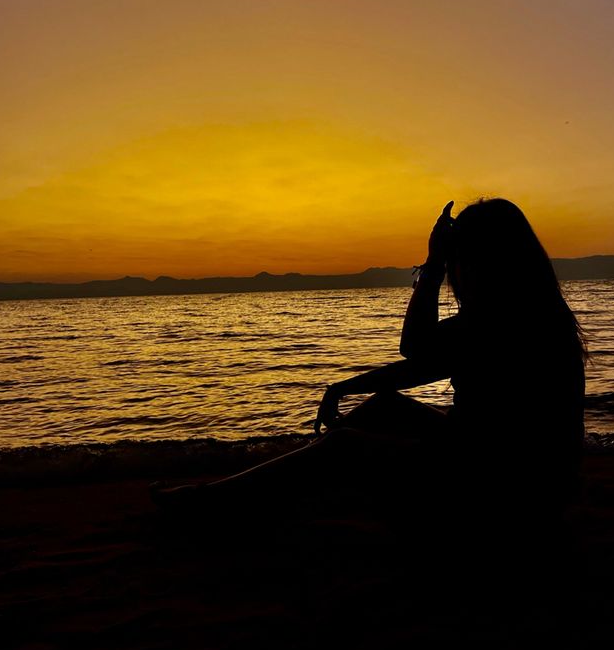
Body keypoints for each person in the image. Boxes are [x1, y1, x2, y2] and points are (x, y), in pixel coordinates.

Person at [151, 198, 587, 517]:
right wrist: (346, 386)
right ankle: (274, 485)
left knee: (345, 445)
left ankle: (212, 501)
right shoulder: (531, 311)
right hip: (512, 462)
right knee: (383, 407)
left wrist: (432, 265)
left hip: (511, 482)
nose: (459, 270)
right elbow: (427, 365)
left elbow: (416, 349)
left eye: (462, 259)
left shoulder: (505, 317)